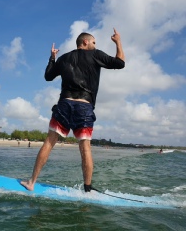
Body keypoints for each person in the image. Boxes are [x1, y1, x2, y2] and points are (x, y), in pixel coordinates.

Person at [21, 28, 125, 192]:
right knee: (85, 148)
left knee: (49, 142)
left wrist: (52, 57)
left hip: (65, 104)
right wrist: (118, 41)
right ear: (85, 42)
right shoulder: (96, 54)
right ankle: (87, 189)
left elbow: (48, 76)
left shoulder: (64, 58)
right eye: (94, 42)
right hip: (84, 106)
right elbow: (120, 63)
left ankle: (31, 182)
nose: (95, 44)